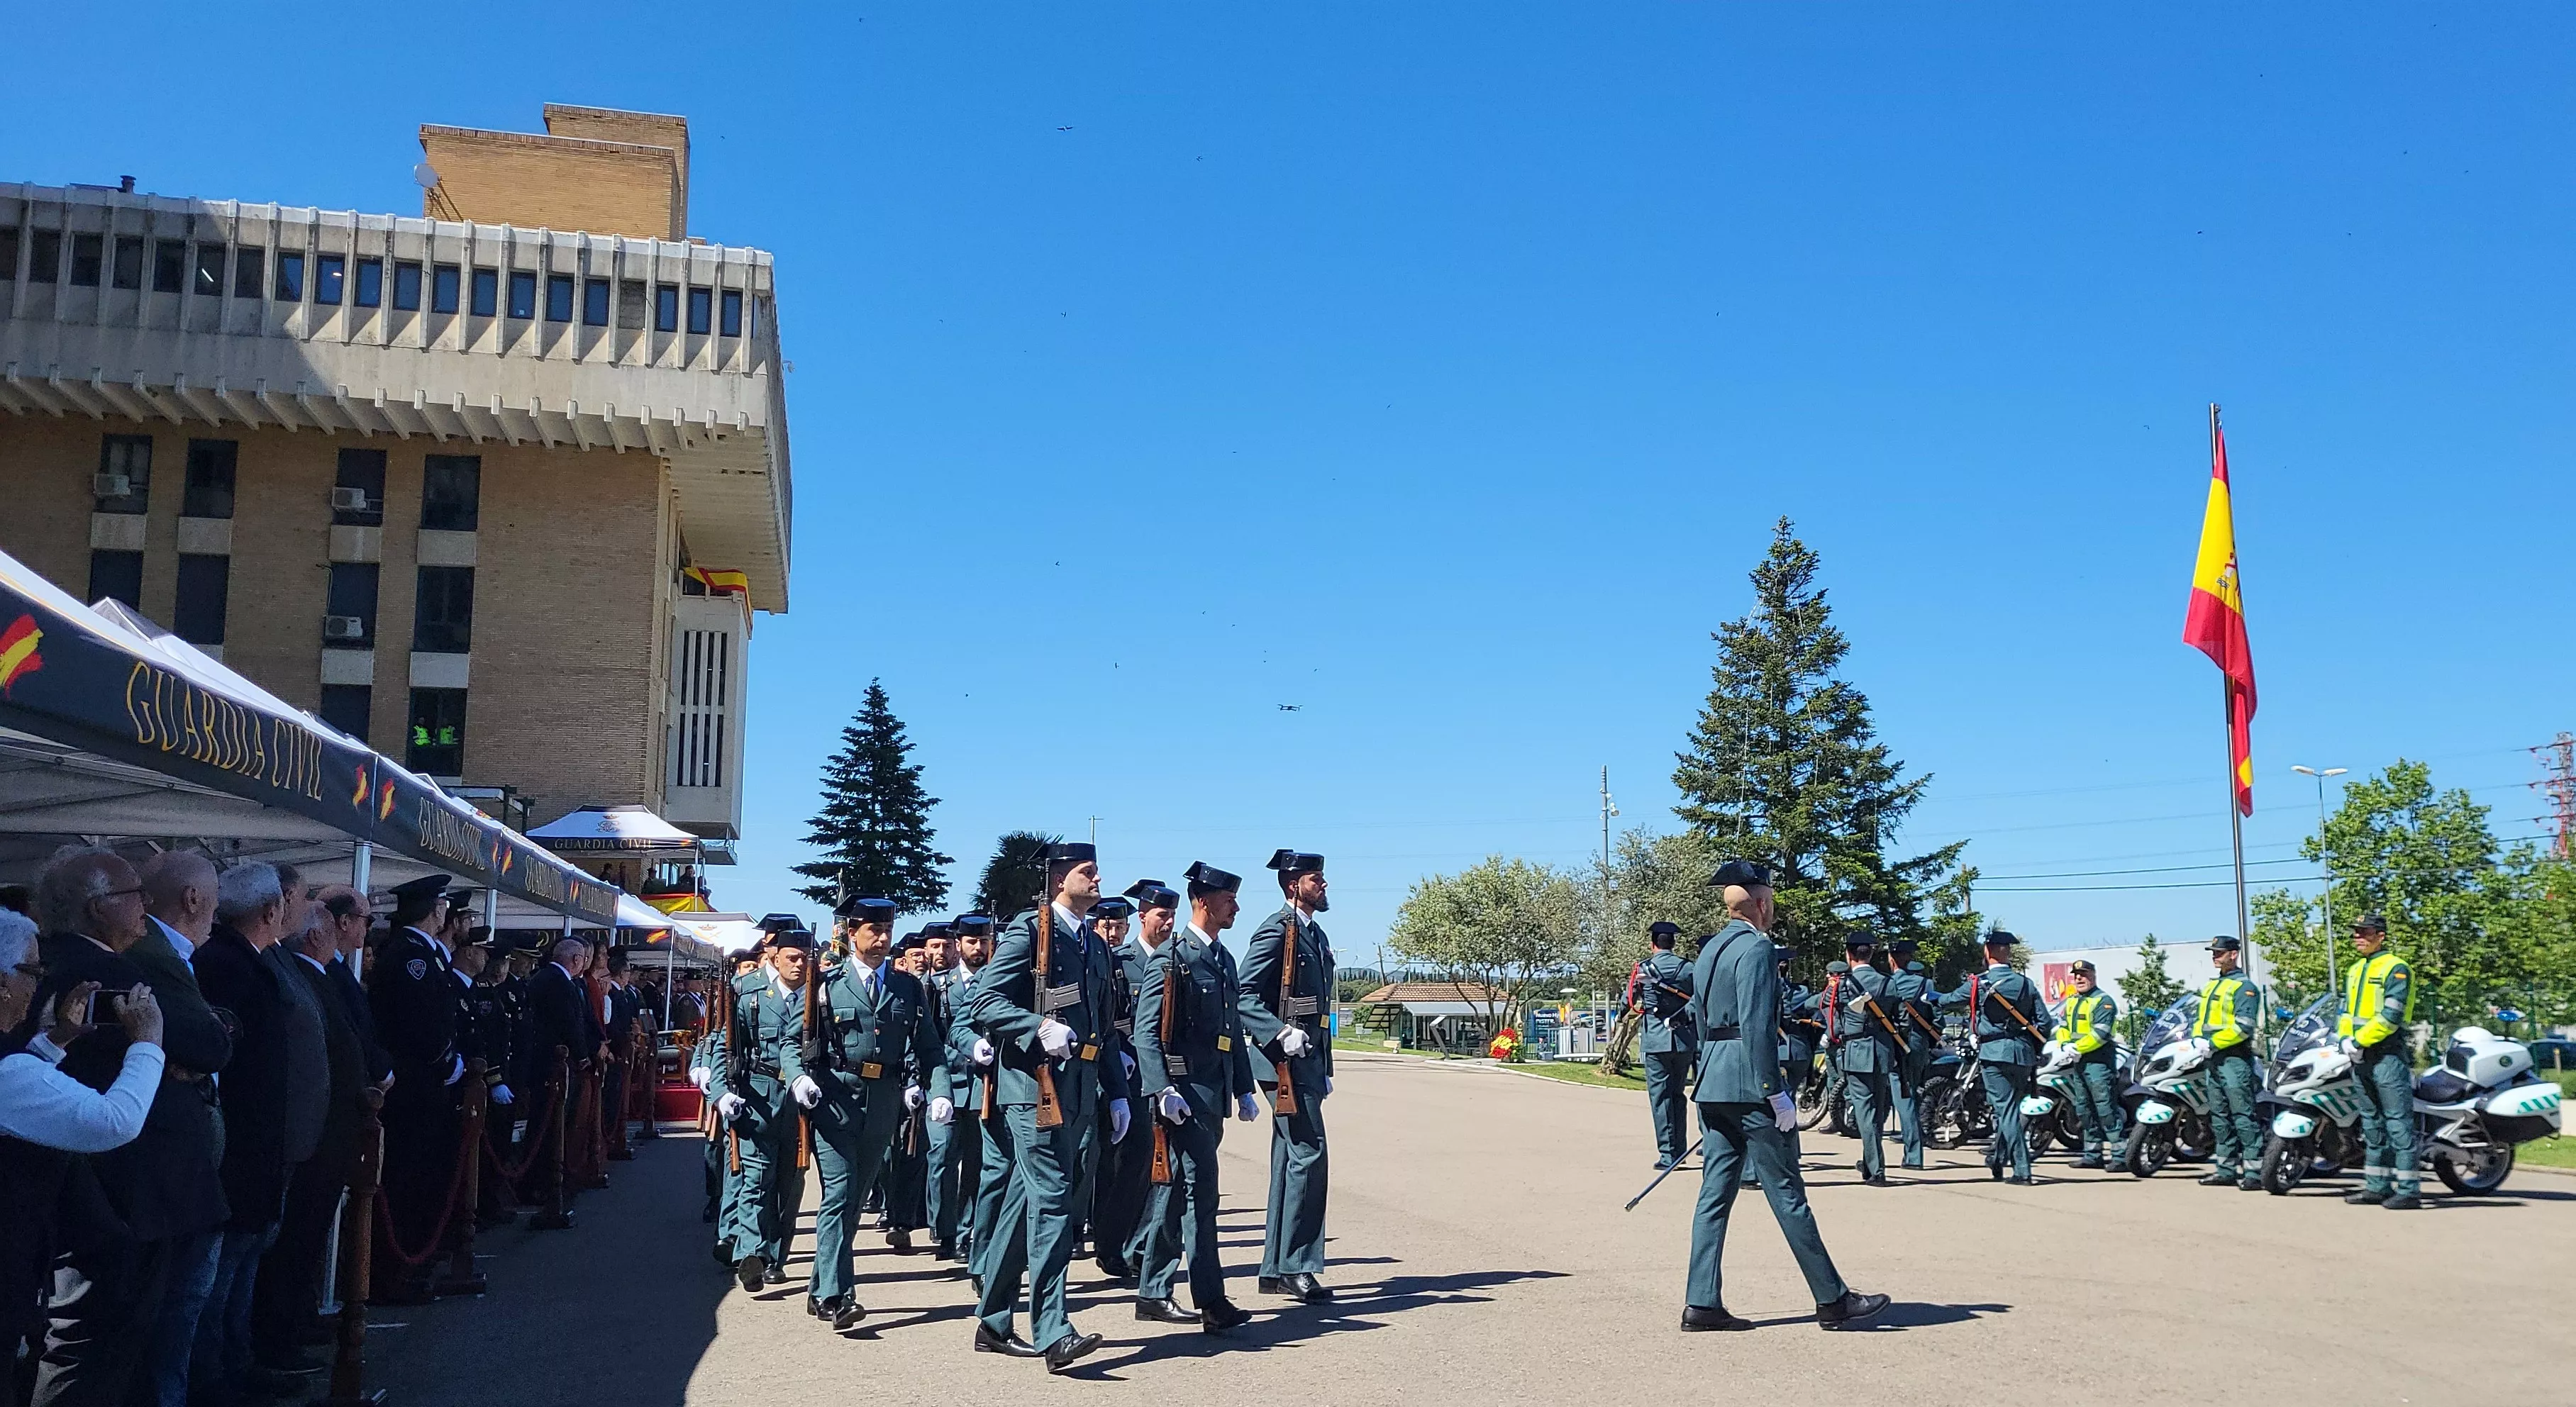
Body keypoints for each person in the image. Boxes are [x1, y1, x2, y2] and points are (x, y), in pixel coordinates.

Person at [26, 846, 234, 1407]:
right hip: (128, 1193)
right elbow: (205, 1042)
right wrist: (162, 1051)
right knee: (103, 1347)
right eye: (131, 895)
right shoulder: (110, 973)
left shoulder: (62, 962)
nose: (146, 904)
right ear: (97, 908)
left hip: (107, 1190)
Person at [1679, 860, 1887, 1333]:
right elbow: (1756, 1026)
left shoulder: (1710, 949)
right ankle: (1832, 1298)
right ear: (1762, 902)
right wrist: (1775, 1094)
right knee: (1788, 1193)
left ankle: (1702, 1301)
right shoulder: (1756, 948)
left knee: (1714, 1194)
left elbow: (1698, 1016)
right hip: (1751, 1086)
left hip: (1713, 1081)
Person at [965, 842, 1132, 1372]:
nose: (1098, 878)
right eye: (1088, 871)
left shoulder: (1096, 945)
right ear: (1060, 877)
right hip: (1032, 1090)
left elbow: (1103, 1029)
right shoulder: (1029, 931)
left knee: (1022, 1205)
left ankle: (993, 1321)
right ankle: (1054, 1330)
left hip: (1079, 1091)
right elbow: (984, 1001)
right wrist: (1035, 1026)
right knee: (1055, 1202)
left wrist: (1119, 1092)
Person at [0, 906, 165, 1403]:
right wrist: (148, 1045)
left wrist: (54, 1042)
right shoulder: (10, 1074)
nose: (38, 983)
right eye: (32, 972)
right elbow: (115, 1123)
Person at [188, 862, 315, 1401]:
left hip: (264, 1145)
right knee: (216, 1282)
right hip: (239, 1146)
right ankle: (216, 1378)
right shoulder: (227, 965)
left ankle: (239, 1365)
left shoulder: (255, 961)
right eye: (295, 901)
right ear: (271, 910)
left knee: (241, 1272)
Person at [792, 899, 938, 1330]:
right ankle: (840, 1297)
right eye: (873, 930)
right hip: (837, 1100)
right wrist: (799, 1077)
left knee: (854, 1199)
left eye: (887, 930)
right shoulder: (825, 984)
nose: (882, 939)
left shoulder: (907, 986)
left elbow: (927, 1045)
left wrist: (935, 1088)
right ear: (852, 933)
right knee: (838, 1195)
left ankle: (820, 1287)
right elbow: (791, 1039)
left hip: (884, 1103)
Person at [1131, 868, 1258, 1334]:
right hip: (1182, 1098)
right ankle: (1211, 1299)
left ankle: (1152, 1291)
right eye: (1229, 900)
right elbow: (1148, 1034)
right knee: (1201, 1194)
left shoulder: (1223, 959)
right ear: (1202, 901)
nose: (1236, 908)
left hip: (1212, 1096)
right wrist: (1162, 1089)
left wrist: (1243, 1086)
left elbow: (1232, 1034)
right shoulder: (1172, 960)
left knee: (1174, 1192)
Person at [130, 850, 235, 1407]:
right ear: (194, 898)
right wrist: (202, 1042)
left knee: (186, 1309)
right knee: (168, 1313)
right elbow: (207, 1042)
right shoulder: (151, 956)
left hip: (188, 1167)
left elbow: (211, 1036)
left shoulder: (180, 957)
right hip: (162, 1169)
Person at [250, 903, 373, 1381]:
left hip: (331, 1126)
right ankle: (278, 1333)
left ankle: (295, 1321)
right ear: (317, 937)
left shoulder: (317, 975)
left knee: (309, 1237)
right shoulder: (303, 975)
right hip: (313, 1131)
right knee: (294, 1239)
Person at [1238, 849, 1338, 1305]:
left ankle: (1278, 1269)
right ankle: (1297, 1266)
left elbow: (1318, 1012)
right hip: (1283, 1062)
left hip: (1307, 1062)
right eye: (1316, 879)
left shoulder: (1312, 934)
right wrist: (1277, 1033)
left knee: (1291, 1159)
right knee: (1308, 1155)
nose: (1325, 886)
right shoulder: (1277, 930)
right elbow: (1243, 994)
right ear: (1293, 884)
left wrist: (1325, 1068)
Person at [369, 874, 471, 1301]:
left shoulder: (427, 955)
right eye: (444, 907)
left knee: (427, 1175)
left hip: (427, 1087)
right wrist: (445, 1062)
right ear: (435, 911)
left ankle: (415, 1259)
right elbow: (419, 1025)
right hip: (415, 1087)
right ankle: (398, 1270)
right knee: (409, 1177)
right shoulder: (411, 957)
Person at [720, 926, 815, 1291]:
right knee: (756, 1180)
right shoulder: (748, 993)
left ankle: (777, 1256)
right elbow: (726, 1047)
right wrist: (721, 1092)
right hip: (759, 1096)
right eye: (792, 957)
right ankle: (752, 1254)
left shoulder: (818, 994)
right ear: (775, 957)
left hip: (800, 1103)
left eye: (805, 958)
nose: (799, 964)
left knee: (789, 1185)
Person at [1085, 894, 1153, 1281]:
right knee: (1094, 1162)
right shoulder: (1107, 962)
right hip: (1100, 1070)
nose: (1113, 932)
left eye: (1118, 926)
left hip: (1135, 1074)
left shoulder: (1155, 962)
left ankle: (1118, 1245)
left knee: (1135, 1161)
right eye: (1106, 926)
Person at [2337, 914, 2418, 1210]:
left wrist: (2359, 1041)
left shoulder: (2395, 968)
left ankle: (2408, 1190)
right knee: (2371, 1124)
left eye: (2365, 932)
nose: (2358, 937)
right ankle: (2376, 1186)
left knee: (2398, 1124)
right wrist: (2345, 1040)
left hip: (2386, 1054)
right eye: (2355, 932)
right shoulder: (2355, 969)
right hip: (2360, 1055)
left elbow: (2391, 1017)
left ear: (2381, 936)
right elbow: (2345, 1013)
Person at [1961, 931, 2053, 1184]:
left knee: (2006, 1112)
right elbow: (2044, 1023)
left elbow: (1950, 1000)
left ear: (1987, 952)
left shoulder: (1979, 983)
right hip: (2022, 1055)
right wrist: (2031, 1046)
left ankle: (2022, 1170)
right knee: (2009, 1109)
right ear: (2008, 953)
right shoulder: (2025, 984)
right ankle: (1998, 1158)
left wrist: (1931, 997)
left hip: (1994, 1053)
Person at [923, 914, 990, 1263]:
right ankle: (944, 1227)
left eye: (983, 941)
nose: (978, 948)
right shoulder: (937, 985)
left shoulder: (998, 981)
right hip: (946, 1081)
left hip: (983, 1085)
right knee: (942, 1157)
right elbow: (927, 1037)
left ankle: (967, 1232)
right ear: (958, 945)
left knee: (978, 1164)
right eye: (971, 942)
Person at [2189, 935, 2264, 1191]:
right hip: (2213, 1058)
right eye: (2213, 952)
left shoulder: (2245, 987)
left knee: (2242, 1115)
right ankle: (2226, 1169)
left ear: (2234, 954)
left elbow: (2243, 1028)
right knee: (2219, 1116)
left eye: (2220, 952)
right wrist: (2198, 1039)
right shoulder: (2212, 987)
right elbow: (2201, 1020)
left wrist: (2212, 1043)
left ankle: (2254, 1172)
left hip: (2234, 1058)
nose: (2215, 956)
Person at [1830, 935, 1904, 1186]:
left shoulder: (1842, 984)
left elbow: (1831, 1016)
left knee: (1865, 1113)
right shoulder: (1888, 983)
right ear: (1871, 955)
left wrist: (1838, 1036)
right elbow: (1902, 1019)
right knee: (1878, 1109)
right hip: (1882, 1051)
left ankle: (1876, 1169)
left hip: (1856, 1051)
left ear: (1848, 955)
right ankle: (1869, 1161)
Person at [1632, 921, 1697, 1171]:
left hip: (1656, 1038)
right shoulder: (1688, 968)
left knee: (1660, 1098)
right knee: (1678, 1095)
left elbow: (1632, 999)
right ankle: (1679, 1151)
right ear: (1673, 944)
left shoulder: (1643, 968)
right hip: (1683, 1038)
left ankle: (1669, 1154)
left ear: (1653, 944)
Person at [2056, 960, 2124, 1172]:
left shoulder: (2103, 1002)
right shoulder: (2072, 1002)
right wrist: (2066, 1044)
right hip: (2078, 1061)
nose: (2079, 978)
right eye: (2076, 975)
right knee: (2083, 1109)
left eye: (2083, 974)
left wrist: (2076, 1048)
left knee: (2106, 1109)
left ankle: (2120, 1157)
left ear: (2093, 975)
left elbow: (2101, 1034)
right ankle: (2092, 1155)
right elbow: (2062, 1027)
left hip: (2098, 1062)